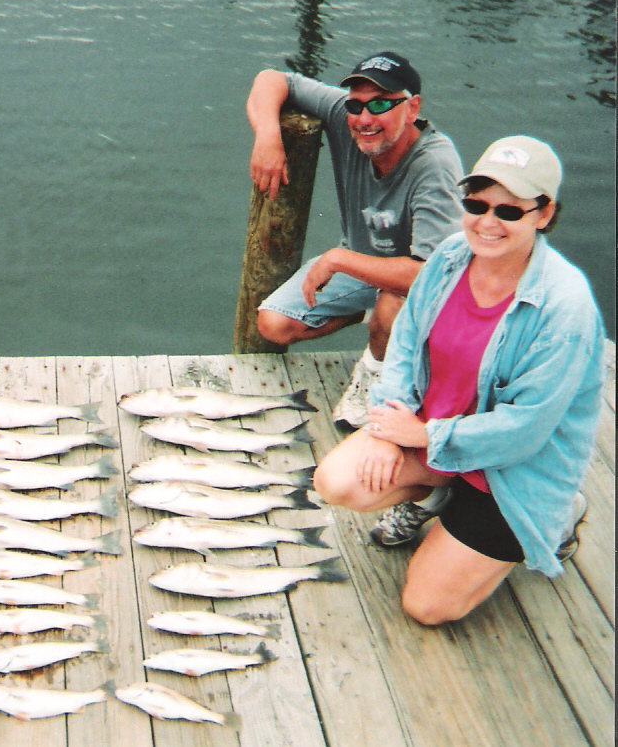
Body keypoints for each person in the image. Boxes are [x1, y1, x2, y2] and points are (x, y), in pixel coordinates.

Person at [312, 136, 605, 625]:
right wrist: (387, 430)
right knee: (336, 481)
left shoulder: (565, 307)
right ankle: (441, 493)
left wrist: (424, 436)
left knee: (427, 607)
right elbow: (404, 345)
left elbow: (525, 430)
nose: (487, 222)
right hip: (436, 439)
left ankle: (558, 516)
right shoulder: (451, 255)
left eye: (509, 211)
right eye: (476, 204)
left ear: (544, 214)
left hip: (512, 473)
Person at [246, 52, 464, 428]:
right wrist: (267, 136)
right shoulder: (346, 116)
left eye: (380, 104)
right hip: (362, 266)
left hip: (423, 288)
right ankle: (371, 317)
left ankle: (374, 372)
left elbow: (430, 275)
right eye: (356, 105)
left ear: (412, 108)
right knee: (273, 323)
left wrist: (337, 260)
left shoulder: (435, 164)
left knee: (392, 305)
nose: (364, 119)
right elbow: (272, 79)